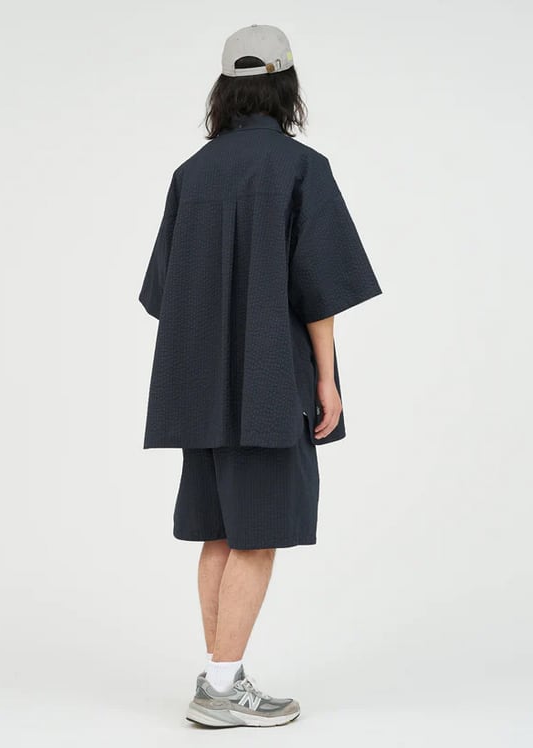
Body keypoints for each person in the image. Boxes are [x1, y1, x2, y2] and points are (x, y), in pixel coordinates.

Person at [138, 24, 383, 728]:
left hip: (199, 386)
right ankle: (221, 689)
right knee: (258, 532)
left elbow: (163, 295)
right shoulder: (302, 169)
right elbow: (319, 291)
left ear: (225, 90)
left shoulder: (191, 175)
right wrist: (327, 381)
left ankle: (220, 674)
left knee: (219, 531)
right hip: (270, 382)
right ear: (286, 87)